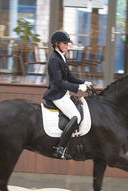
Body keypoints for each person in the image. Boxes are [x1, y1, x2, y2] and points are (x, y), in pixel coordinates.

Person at [43, 30, 92, 159]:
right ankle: (60, 148)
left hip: (63, 93)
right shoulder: (54, 59)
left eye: (67, 43)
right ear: (56, 44)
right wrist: (78, 87)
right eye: (65, 43)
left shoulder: (61, 56)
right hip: (57, 94)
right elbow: (59, 82)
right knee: (76, 116)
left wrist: (84, 82)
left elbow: (69, 76)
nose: (67, 45)